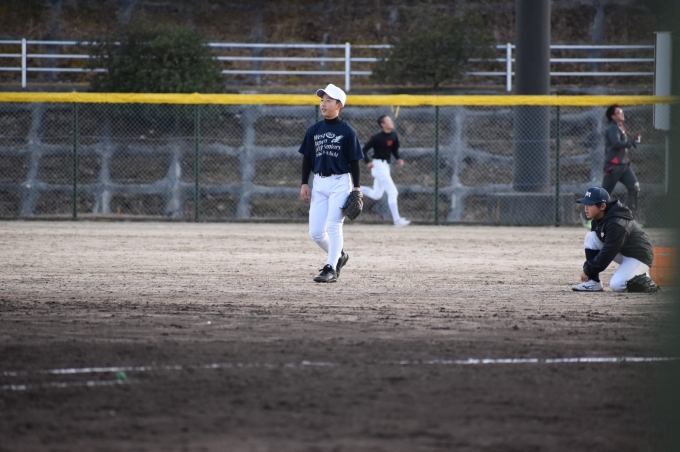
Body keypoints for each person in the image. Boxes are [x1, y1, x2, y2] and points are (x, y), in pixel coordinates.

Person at [298, 83, 364, 283]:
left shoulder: (348, 131)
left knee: (334, 225)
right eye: (322, 100)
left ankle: (331, 268)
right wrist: (304, 183)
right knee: (316, 232)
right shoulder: (314, 130)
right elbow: (307, 158)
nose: (323, 104)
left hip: (340, 182)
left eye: (328, 100)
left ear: (339, 105)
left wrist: (357, 189)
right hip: (319, 182)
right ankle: (339, 256)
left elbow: (355, 161)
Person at [572, 187, 654, 292]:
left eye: (590, 204)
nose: (586, 208)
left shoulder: (616, 223)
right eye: (585, 204)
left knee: (617, 285)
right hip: (622, 252)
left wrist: (588, 270)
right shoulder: (597, 219)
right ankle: (593, 282)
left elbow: (608, 252)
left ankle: (644, 279)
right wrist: (590, 271)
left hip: (639, 257)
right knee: (591, 237)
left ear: (602, 206)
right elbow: (606, 250)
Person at [361, 115, 410, 227]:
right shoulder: (377, 138)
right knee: (393, 192)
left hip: (385, 166)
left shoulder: (393, 135)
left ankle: (353, 188)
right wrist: (368, 162)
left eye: (390, 120)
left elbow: (394, 150)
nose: (391, 122)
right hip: (378, 166)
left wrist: (398, 158)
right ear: (382, 125)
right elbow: (363, 150)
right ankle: (397, 220)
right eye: (388, 121)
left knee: (376, 195)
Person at [601, 104, 641, 220]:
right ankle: (587, 217)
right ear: (613, 116)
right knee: (604, 194)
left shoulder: (620, 127)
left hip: (624, 166)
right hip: (613, 166)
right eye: (619, 112)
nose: (622, 113)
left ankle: (629, 218)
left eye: (622, 111)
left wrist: (632, 142)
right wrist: (631, 142)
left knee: (634, 188)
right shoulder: (612, 128)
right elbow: (616, 144)